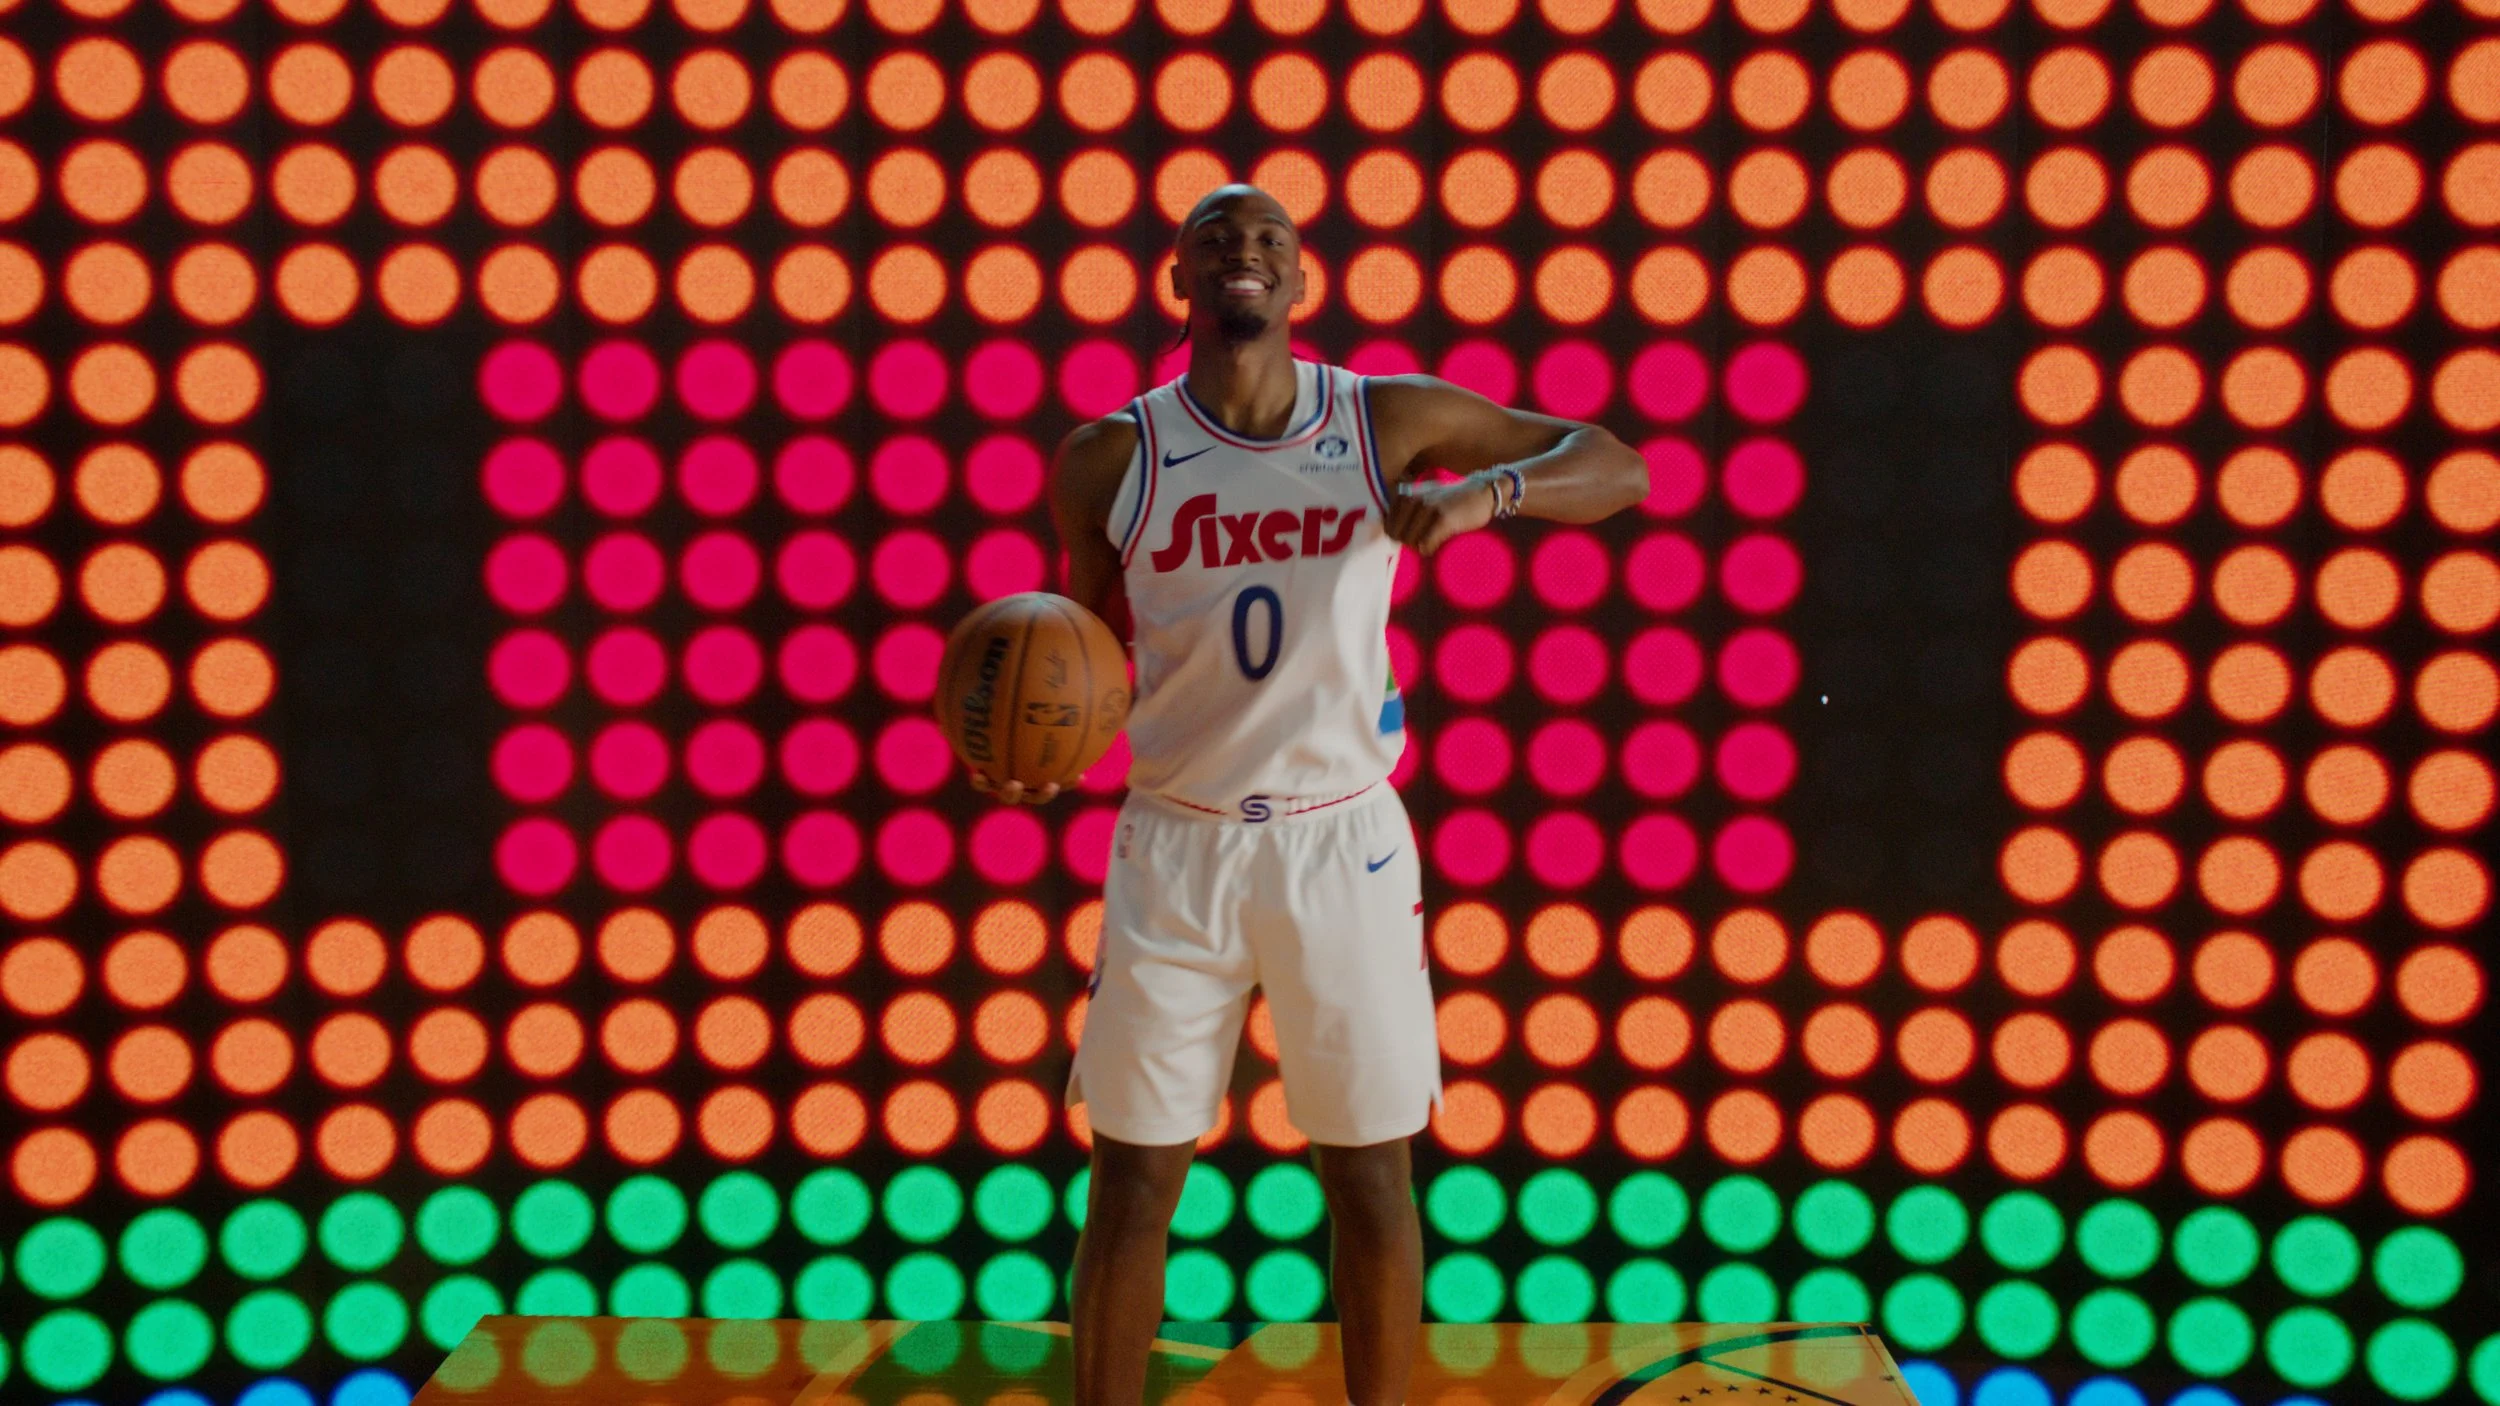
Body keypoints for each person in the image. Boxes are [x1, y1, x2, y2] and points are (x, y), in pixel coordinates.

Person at [970, 185, 1650, 1406]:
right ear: (1179, 282)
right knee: (1131, 1177)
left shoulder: (1385, 419)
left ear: (1300, 288)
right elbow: (1090, 648)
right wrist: (1043, 752)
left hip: (1342, 841)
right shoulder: (1110, 457)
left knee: (1369, 1173)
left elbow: (1615, 464)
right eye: (1216, 239)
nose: (1245, 252)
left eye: (1270, 241)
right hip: (1176, 845)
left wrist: (1479, 496)